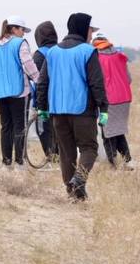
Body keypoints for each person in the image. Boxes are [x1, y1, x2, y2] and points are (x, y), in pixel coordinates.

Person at [36, 12, 108, 201]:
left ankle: (74, 194)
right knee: (89, 148)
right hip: (82, 110)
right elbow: (97, 83)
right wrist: (104, 108)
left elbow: (42, 82)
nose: (91, 35)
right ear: (83, 29)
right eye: (91, 30)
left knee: (66, 152)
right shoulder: (88, 51)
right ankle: (79, 180)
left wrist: (42, 107)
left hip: (58, 112)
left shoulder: (52, 52)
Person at [0, 16, 40, 167]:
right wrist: (38, 80)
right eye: (22, 29)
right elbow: (28, 64)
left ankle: (6, 162)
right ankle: (19, 163)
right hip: (19, 92)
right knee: (19, 127)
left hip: (0, 94)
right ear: (14, 29)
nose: (23, 33)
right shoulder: (20, 43)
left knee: (6, 127)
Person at [93, 31, 134, 169]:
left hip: (108, 101)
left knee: (108, 132)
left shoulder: (96, 57)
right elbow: (129, 79)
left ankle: (113, 164)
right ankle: (128, 160)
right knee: (118, 130)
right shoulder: (119, 55)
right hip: (125, 99)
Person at [31, 21, 60, 163]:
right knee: (59, 129)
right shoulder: (60, 50)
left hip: (45, 100)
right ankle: (60, 156)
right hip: (61, 99)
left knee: (43, 130)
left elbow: (37, 80)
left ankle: (52, 157)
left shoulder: (40, 54)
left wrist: (38, 104)